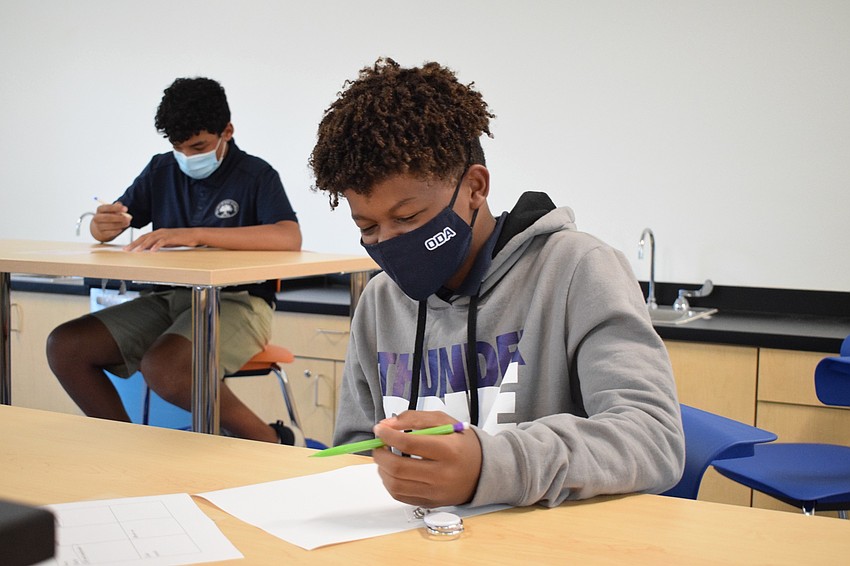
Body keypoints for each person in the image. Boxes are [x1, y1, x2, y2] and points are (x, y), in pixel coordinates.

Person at [309, 58, 685, 508]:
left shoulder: (577, 270)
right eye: (368, 227)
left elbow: (653, 438)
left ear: (474, 188)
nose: (388, 244)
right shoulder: (380, 302)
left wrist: (491, 466)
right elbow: (358, 448)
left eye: (408, 218)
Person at [47, 77, 303, 444]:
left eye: (197, 146)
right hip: (168, 300)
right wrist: (103, 227)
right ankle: (125, 446)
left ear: (227, 131)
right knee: (66, 346)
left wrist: (196, 234)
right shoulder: (161, 169)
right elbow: (116, 222)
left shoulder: (256, 174)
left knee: (167, 369)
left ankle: (271, 440)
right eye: (178, 147)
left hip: (239, 303)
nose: (187, 157)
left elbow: (288, 237)